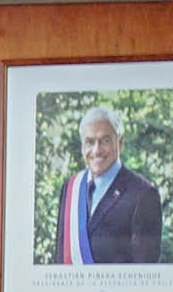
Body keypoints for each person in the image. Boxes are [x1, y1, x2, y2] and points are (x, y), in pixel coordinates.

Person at [57, 105, 165, 264]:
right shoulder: (71, 188)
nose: (96, 150)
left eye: (105, 140)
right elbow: (60, 258)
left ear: (120, 142)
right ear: (82, 146)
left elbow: (145, 275)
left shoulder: (143, 194)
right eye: (89, 142)